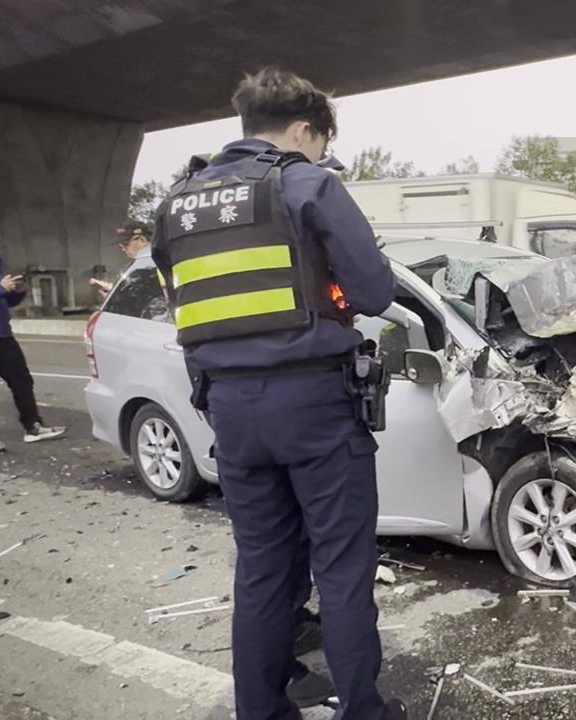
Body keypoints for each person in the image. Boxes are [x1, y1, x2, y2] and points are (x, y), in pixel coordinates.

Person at [151, 68, 403, 720]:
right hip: (315, 403)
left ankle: (261, 711)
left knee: (261, 568)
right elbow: (375, 293)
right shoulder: (306, 181)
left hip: (229, 409)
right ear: (302, 129)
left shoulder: (177, 203)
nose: (320, 155)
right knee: (343, 568)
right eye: (320, 143)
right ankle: (362, 712)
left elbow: (181, 297)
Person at [0, 226, 66, 453]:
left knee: (22, 381)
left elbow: (5, 303)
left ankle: (33, 426)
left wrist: (17, 292)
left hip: (3, 336)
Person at [90, 222, 152, 296]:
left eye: (126, 244)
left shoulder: (155, 263)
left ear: (142, 240)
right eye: (120, 246)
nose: (123, 249)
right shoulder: (139, 264)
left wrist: (118, 298)